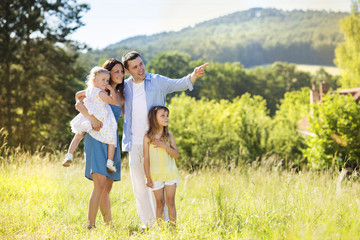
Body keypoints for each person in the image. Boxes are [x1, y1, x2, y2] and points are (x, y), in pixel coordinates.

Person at [121, 50, 208, 227]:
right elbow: (107, 91)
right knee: (139, 186)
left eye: (141, 64)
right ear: (128, 71)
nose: (141, 69)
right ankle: (147, 224)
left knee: (156, 185)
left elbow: (178, 84)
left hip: (155, 143)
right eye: (135, 67)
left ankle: (164, 222)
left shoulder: (156, 81)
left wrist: (193, 76)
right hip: (134, 142)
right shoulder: (125, 87)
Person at [74, 59, 125, 229]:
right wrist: (91, 118)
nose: (119, 75)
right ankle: (90, 225)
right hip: (96, 137)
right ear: (108, 73)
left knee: (107, 187)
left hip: (111, 140)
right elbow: (78, 101)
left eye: (122, 71)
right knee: (100, 184)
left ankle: (109, 226)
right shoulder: (97, 90)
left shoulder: (121, 93)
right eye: (116, 71)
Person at [63, 66, 118, 173]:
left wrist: (81, 102)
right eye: (103, 80)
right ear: (94, 80)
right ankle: (110, 162)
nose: (105, 83)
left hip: (88, 117)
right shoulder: (101, 93)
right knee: (112, 139)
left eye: (107, 80)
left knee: (78, 136)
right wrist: (111, 90)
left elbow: (77, 95)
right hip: (101, 119)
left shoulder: (88, 90)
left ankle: (69, 155)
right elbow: (112, 101)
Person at [144, 106, 179, 227]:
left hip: (170, 173)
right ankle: (160, 231)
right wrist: (148, 177)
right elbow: (146, 158)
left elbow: (176, 155)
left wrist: (165, 146)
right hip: (155, 175)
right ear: (154, 119)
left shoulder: (169, 136)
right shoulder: (148, 137)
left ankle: (174, 230)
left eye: (167, 115)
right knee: (159, 202)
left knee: (170, 201)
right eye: (163, 115)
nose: (166, 118)